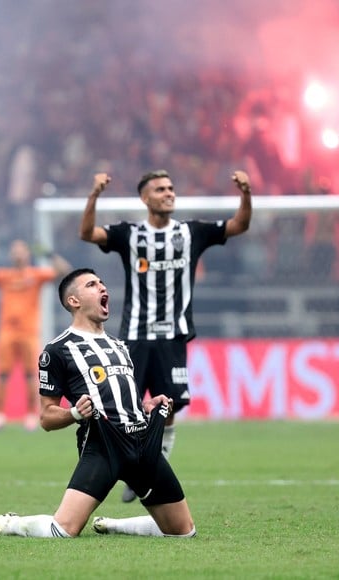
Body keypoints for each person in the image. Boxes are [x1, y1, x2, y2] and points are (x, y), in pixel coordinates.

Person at [0, 268, 196, 538]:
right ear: (74, 301)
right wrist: (74, 413)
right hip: (103, 445)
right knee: (63, 530)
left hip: (142, 443)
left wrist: (146, 407)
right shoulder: (58, 350)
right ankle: (10, 524)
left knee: (183, 532)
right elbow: (46, 418)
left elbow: (122, 400)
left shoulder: (120, 346)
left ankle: (115, 525)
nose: (103, 288)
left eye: (102, 282)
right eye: (93, 284)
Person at [79, 168, 252, 502]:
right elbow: (87, 233)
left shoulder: (192, 232)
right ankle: (130, 462)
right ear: (145, 198)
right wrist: (94, 195)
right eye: (160, 189)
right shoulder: (130, 235)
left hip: (173, 335)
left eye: (171, 188)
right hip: (135, 335)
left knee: (167, 404)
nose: (169, 193)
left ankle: (156, 460)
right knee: (125, 404)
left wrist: (245, 194)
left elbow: (239, 225)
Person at [0, 239, 71, 431]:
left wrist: (48, 254)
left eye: (21, 251)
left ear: (27, 254)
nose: (18, 254)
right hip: (7, 332)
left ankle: (30, 415)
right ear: (11, 255)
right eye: (15, 251)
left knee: (30, 375)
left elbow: (65, 271)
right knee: (2, 374)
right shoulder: (3, 275)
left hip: (29, 332)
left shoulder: (36, 275)